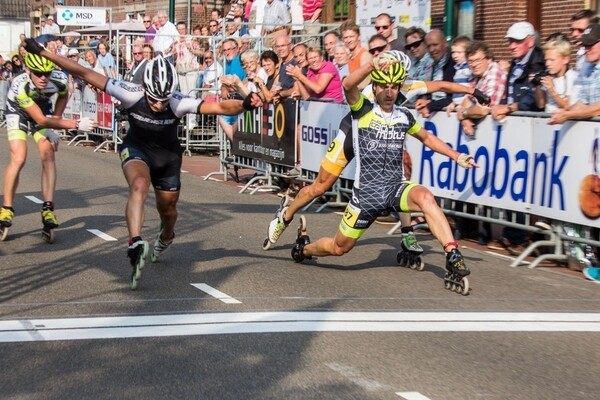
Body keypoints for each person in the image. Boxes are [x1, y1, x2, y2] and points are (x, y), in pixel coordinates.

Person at [23, 38, 262, 290]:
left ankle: (167, 235)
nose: (159, 105)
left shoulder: (178, 102)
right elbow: (82, 71)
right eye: (154, 99)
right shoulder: (129, 91)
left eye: (163, 100)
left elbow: (220, 106)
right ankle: (135, 243)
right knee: (138, 184)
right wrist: (43, 53)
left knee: (168, 211)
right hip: (136, 147)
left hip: (167, 157)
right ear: (145, 89)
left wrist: (245, 104)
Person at [265, 45, 489, 250]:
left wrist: (471, 91)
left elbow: (440, 85)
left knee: (399, 178)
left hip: (379, 139)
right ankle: (286, 214)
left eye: (399, 75)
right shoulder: (376, 82)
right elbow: (349, 84)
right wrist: (371, 64)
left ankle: (407, 231)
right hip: (351, 135)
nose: (393, 81)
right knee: (320, 187)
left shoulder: (408, 85)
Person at [0, 52, 98, 236]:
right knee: (19, 157)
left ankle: (48, 209)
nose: (43, 78)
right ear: (28, 70)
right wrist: (75, 124)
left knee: (48, 153)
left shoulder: (59, 79)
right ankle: (6, 208)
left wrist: (56, 120)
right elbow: (39, 120)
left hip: (43, 109)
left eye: (47, 73)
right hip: (18, 110)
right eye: (38, 73)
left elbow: (63, 96)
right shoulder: (20, 85)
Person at [534, 38, 578, 113]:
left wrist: (552, 90)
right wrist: (537, 84)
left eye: (552, 60)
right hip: (547, 119)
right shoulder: (548, 76)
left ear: (565, 59)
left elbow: (568, 106)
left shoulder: (572, 77)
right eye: (546, 60)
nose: (547, 64)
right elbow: (541, 105)